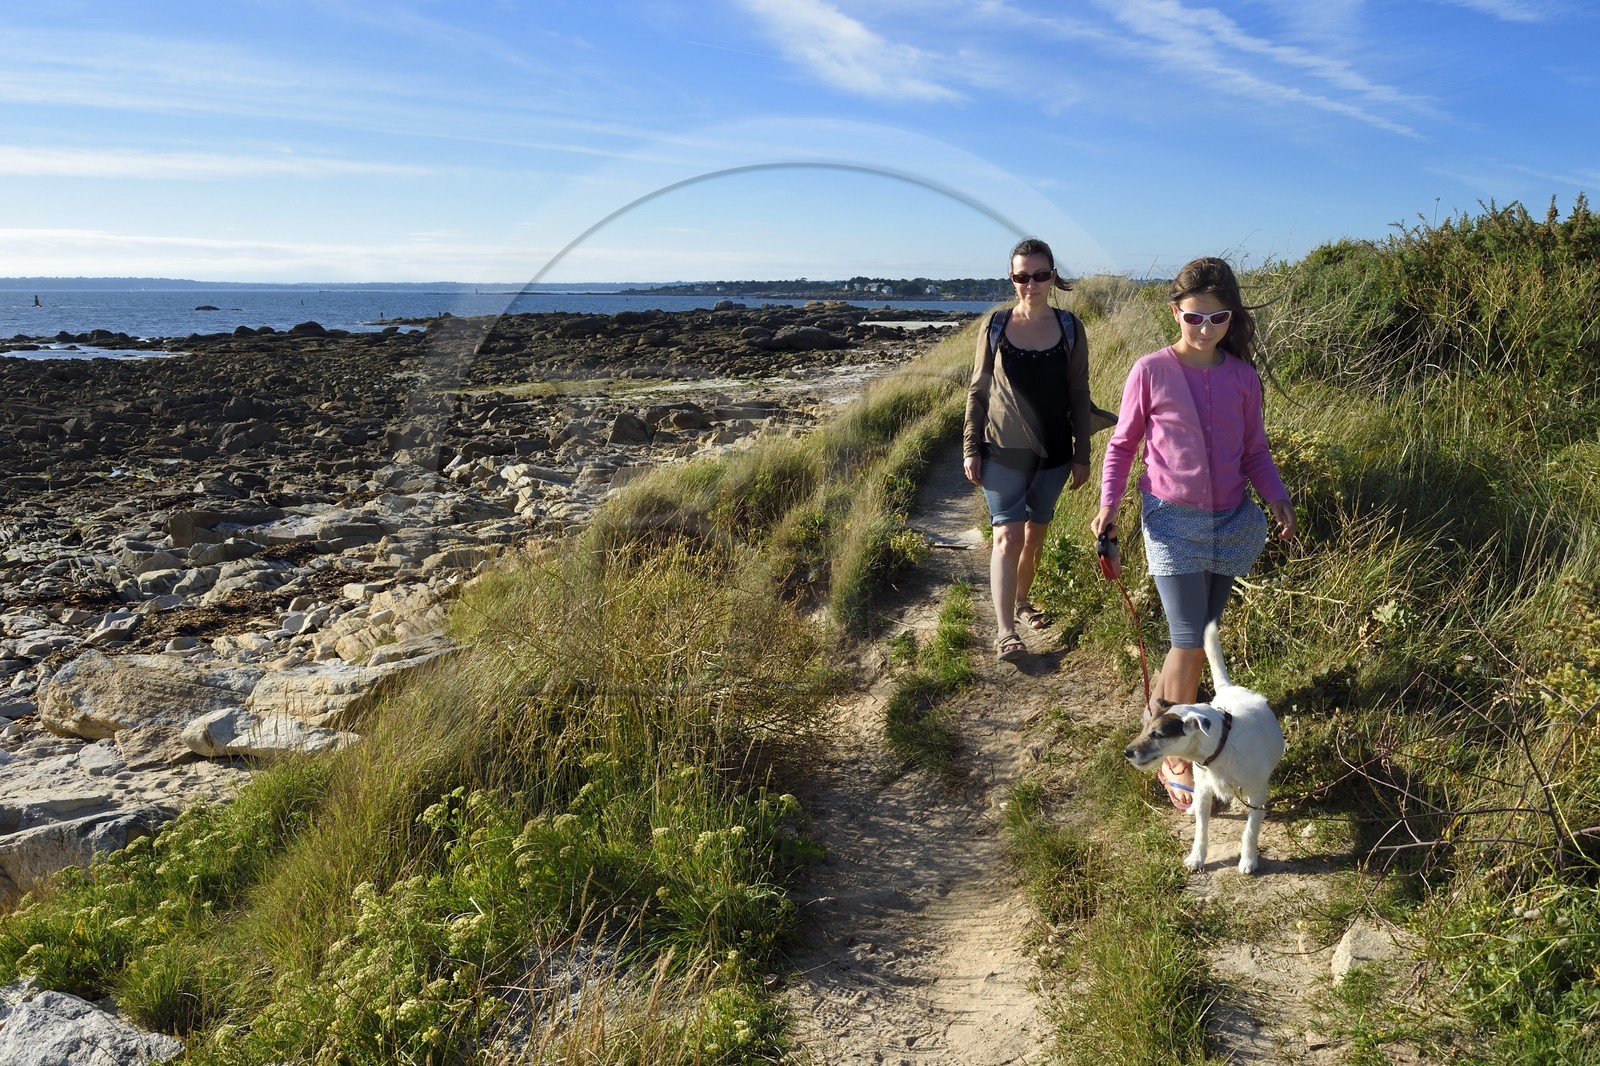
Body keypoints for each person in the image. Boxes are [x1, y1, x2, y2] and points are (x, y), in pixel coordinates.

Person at [1089, 256, 1296, 810]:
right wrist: (1108, 506)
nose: (1205, 330)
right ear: (1175, 312)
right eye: (1194, 319)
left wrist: (1277, 498)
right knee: (1187, 638)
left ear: (1232, 317)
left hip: (1229, 520)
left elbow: (1255, 450)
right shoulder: (1150, 369)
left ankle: (1160, 721)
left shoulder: (1242, 376)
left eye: (1218, 319)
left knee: (1204, 635)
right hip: (1170, 519)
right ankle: (1173, 757)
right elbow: (1123, 444)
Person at [963, 237, 1093, 663]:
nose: (1031, 283)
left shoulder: (1071, 327)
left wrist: (1082, 453)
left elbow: (1078, 392)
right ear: (1012, 278)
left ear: (1053, 276)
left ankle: (1021, 601)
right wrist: (971, 447)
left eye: (1040, 275)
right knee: (1007, 536)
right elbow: (978, 388)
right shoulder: (996, 325)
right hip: (1001, 449)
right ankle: (1004, 631)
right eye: (1022, 276)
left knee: (1034, 537)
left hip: (1055, 451)